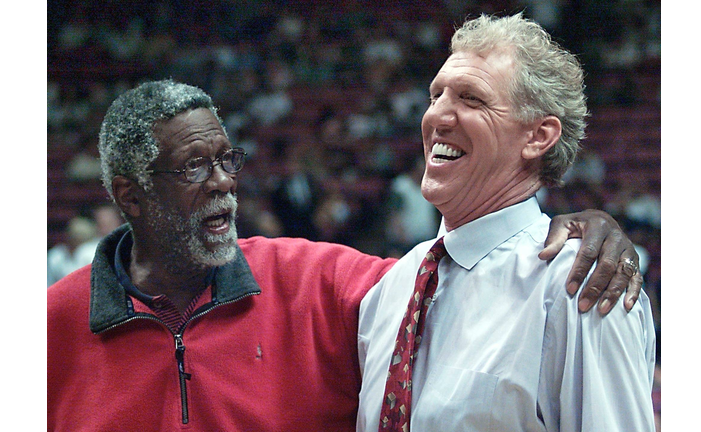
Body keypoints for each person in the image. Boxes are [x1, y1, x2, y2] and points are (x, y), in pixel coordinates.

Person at [48, 79, 642, 432]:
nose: (223, 183)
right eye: (193, 168)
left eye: (228, 161)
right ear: (131, 196)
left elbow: (459, 272)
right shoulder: (51, 326)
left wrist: (552, 222)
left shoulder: (315, 281)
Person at [356, 13, 655, 432]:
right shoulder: (391, 289)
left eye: (471, 99)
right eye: (435, 95)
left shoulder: (579, 286)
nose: (437, 116)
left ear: (537, 137)